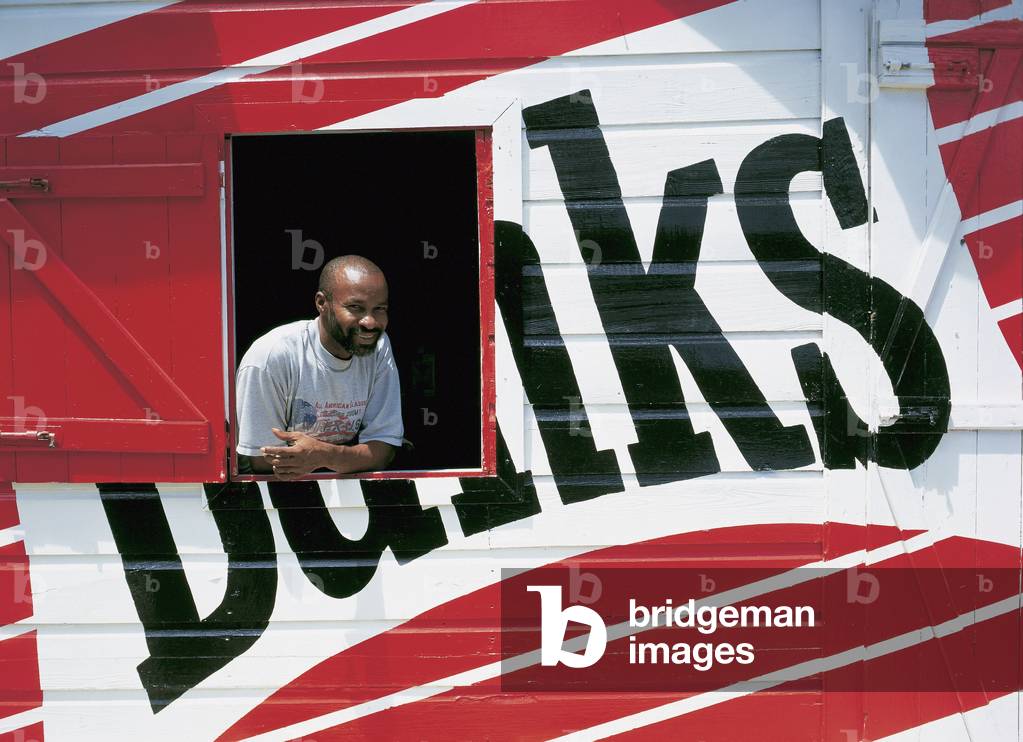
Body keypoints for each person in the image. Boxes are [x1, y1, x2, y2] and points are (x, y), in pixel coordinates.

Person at [235, 255, 403, 479]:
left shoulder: (378, 345)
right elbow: (264, 462)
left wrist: (324, 456)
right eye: (356, 307)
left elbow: (384, 449)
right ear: (322, 303)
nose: (370, 322)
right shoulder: (271, 356)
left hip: (342, 489)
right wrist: (347, 458)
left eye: (379, 309)